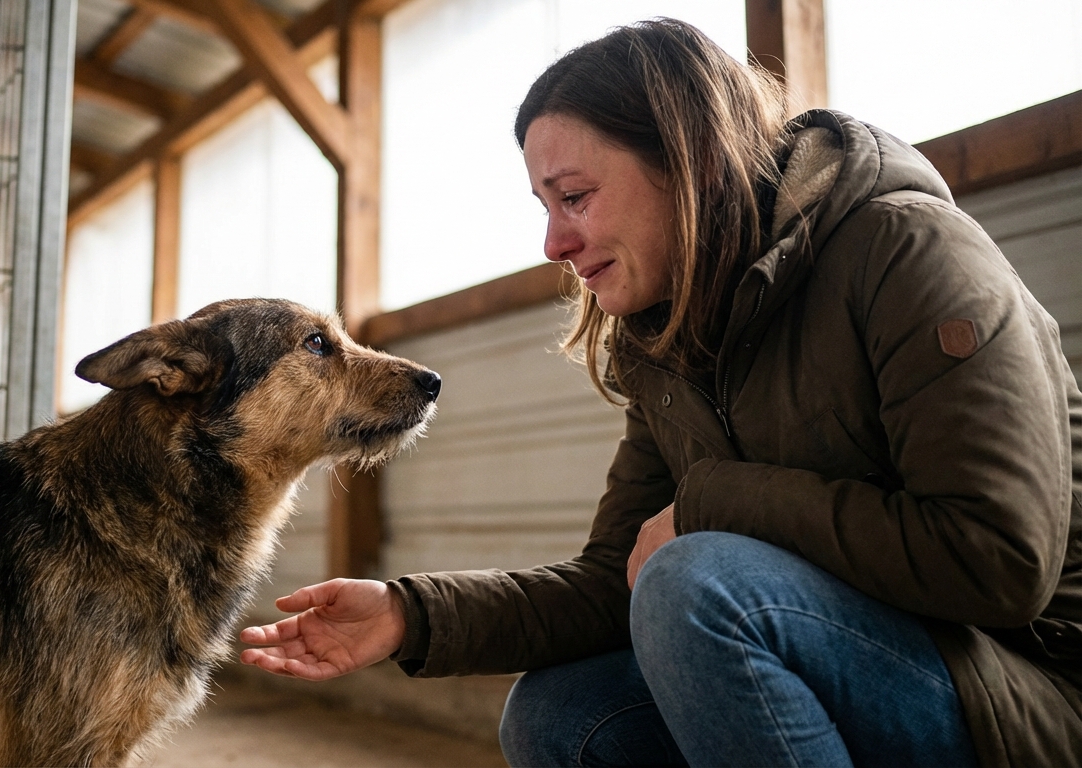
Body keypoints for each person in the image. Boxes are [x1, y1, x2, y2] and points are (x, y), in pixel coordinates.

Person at [239, 18, 1082, 767]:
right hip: (868, 660)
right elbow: (618, 579)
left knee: (697, 578)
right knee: (561, 715)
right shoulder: (674, 338)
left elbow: (998, 563)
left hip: (1024, 691)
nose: (553, 241)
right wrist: (406, 615)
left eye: (574, 196)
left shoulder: (908, 250)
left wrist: (716, 500)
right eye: (544, 205)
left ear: (688, 161)